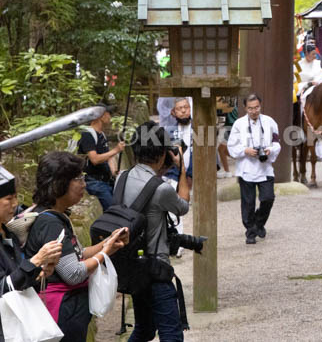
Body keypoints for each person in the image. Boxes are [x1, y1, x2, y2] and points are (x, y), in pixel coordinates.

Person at [25, 151, 129, 341]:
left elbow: (78, 254)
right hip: (62, 314)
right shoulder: (50, 224)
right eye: (77, 178)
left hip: (70, 311)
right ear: (58, 183)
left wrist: (108, 243)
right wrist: (105, 253)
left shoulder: (57, 215)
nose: (84, 184)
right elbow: (74, 273)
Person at [121, 121, 193, 342]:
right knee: (171, 334)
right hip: (155, 268)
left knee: (144, 329)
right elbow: (183, 205)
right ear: (162, 154)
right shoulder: (161, 189)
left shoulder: (121, 179)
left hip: (132, 267)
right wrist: (181, 170)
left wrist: (161, 167)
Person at [0, 165, 62, 339]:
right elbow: (4, 288)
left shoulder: (10, 232)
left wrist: (41, 272)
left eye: (16, 197)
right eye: (8, 198)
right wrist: (35, 261)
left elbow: (20, 279)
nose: (15, 204)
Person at [227, 93, 281, 244]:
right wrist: (245, 151)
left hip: (265, 168)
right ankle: (251, 232)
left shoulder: (270, 122)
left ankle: (259, 223)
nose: (254, 111)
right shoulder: (238, 124)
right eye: (250, 108)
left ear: (260, 106)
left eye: (256, 107)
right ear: (245, 108)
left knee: (268, 198)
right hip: (246, 168)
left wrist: (270, 150)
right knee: (248, 203)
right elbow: (231, 146)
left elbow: (277, 142)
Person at [77, 106, 124, 210]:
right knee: (114, 210)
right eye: (108, 113)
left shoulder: (101, 135)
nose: (110, 117)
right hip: (93, 182)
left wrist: (115, 172)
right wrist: (116, 150)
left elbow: (109, 156)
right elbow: (95, 159)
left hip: (105, 180)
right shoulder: (87, 134)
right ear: (101, 116)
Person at [164, 97, 193, 188]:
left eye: (186, 107)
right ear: (173, 112)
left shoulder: (199, 129)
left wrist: (191, 174)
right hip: (173, 177)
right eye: (179, 108)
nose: (183, 111)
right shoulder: (168, 132)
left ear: (190, 109)